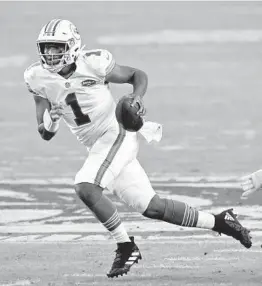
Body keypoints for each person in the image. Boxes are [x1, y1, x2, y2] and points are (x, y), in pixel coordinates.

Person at [24, 19, 252, 279]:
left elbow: (136, 75)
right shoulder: (37, 77)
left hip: (116, 132)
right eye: (47, 48)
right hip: (97, 146)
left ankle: (125, 245)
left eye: (57, 47)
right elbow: (44, 133)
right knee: (152, 207)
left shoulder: (94, 62)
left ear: (73, 46)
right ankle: (222, 221)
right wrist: (52, 120)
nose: (51, 55)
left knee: (85, 186)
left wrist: (137, 96)